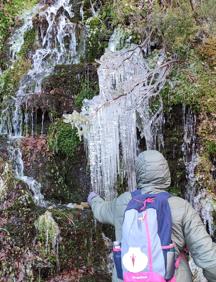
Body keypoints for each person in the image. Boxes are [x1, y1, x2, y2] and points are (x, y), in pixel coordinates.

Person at [87, 150, 216, 282]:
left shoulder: (122, 203)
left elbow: (100, 211)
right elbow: (208, 257)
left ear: (139, 174)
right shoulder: (180, 207)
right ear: (166, 174)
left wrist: (93, 199)